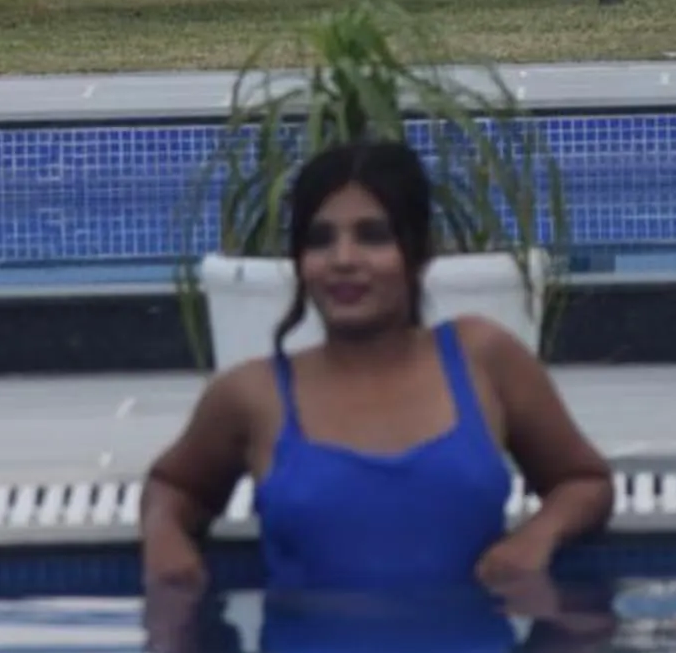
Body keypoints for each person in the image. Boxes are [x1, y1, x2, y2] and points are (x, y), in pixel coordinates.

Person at [140, 136, 614, 595]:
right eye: (320, 240)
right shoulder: (252, 394)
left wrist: (536, 539)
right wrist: (165, 541)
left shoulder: (482, 359)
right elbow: (174, 486)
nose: (343, 260)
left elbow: (584, 481)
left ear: (417, 252)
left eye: (373, 235)